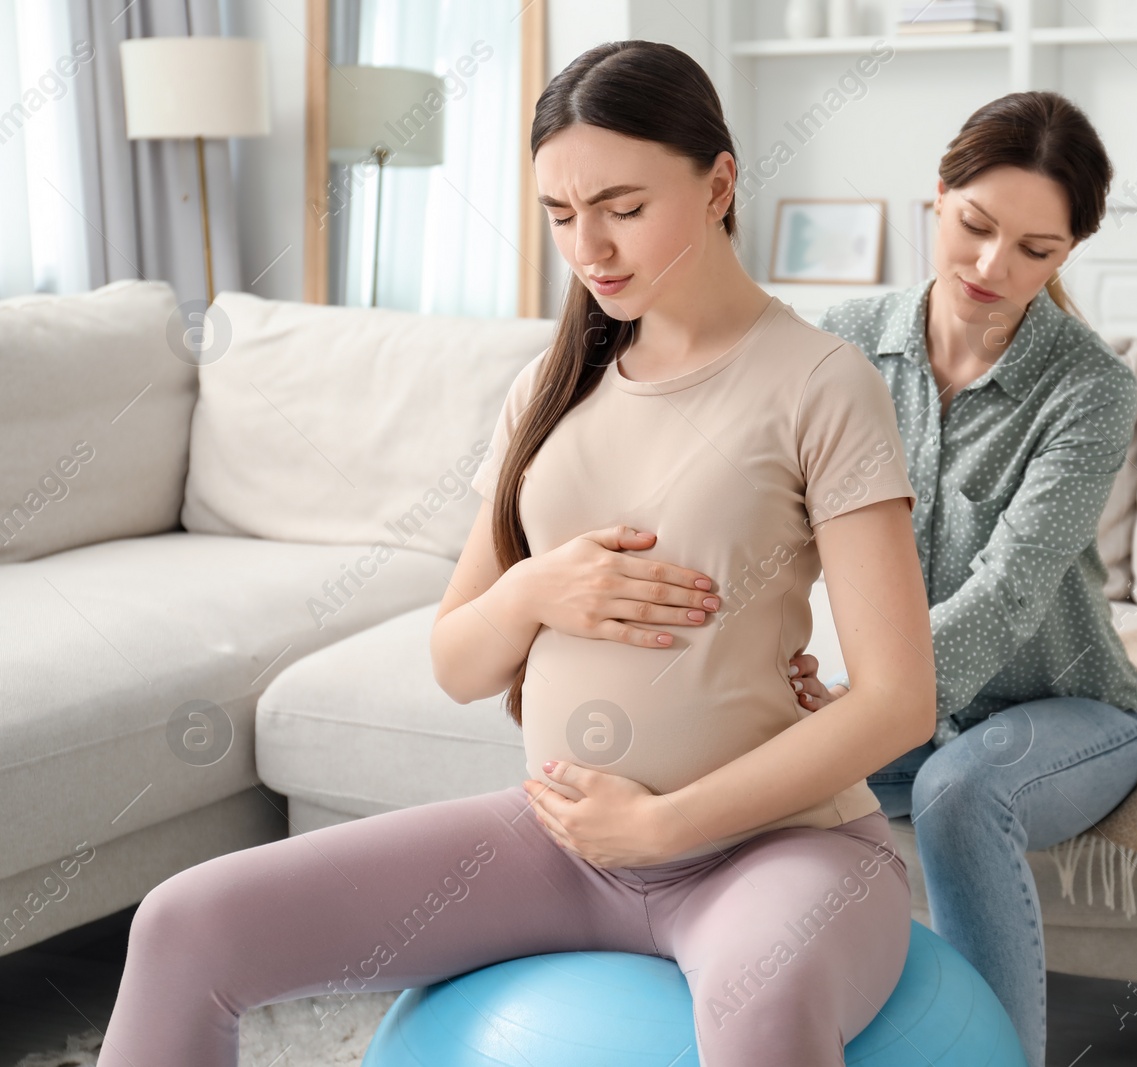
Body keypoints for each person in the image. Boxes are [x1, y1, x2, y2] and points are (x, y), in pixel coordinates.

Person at [99, 40, 935, 1067]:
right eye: (558, 214)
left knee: (759, 1007)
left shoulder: (822, 381)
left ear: (718, 181)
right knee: (184, 923)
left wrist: (665, 825)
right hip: (562, 845)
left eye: (623, 208)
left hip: (779, 852)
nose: (590, 246)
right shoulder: (549, 387)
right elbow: (459, 662)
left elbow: (898, 698)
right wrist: (538, 587)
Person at [786, 90, 1137, 1067]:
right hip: (894, 701)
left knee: (955, 789)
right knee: (740, 765)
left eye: (1035, 249)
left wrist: (864, 709)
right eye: (976, 226)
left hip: (1066, 706)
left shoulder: (1089, 386)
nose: (994, 268)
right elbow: (771, 525)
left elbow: (1009, 591)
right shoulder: (843, 340)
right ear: (936, 198)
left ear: (1067, 253)